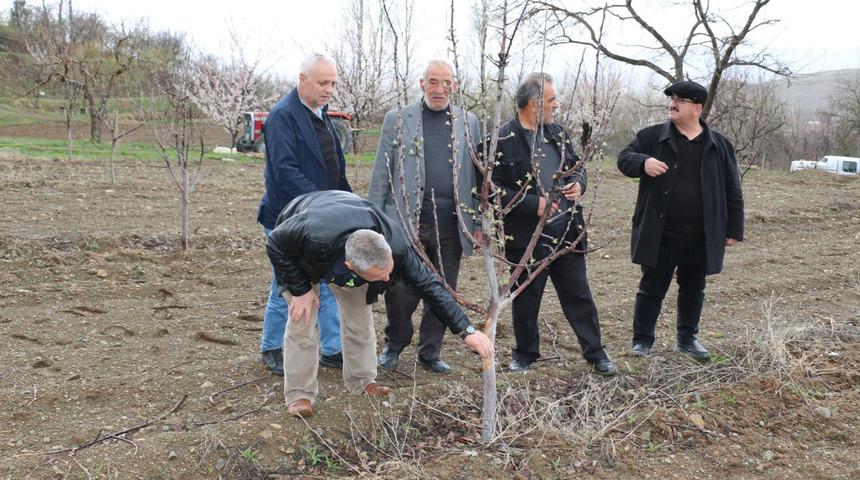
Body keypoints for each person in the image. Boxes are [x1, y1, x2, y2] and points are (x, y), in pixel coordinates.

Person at [266, 191, 494, 418]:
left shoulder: (396, 245)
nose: (387, 279)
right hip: (301, 258)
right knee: (302, 322)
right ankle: (299, 395)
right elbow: (275, 243)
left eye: (389, 270)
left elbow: (431, 287)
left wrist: (466, 330)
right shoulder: (310, 231)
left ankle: (363, 381)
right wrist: (301, 290)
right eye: (379, 276)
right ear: (351, 266)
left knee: (359, 319)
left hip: (345, 243)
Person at [485, 72, 616, 376]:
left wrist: (578, 185)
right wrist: (535, 204)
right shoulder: (501, 140)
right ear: (534, 103)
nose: (557, 105)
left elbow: (576, 168)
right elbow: (490, 191)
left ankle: (595, 353)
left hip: (566, 231)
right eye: (552, 99)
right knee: (526, 300)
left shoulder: (557, 132)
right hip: (527, 236)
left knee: (579, 294)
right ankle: (525, 354)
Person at [367, 59, 482, 374]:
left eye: (446, 83)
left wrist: (479, 223)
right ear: (421, 84)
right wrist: (372, 223)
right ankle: (394, 345)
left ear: (454, 87)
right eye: (433, 81)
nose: (439, 89)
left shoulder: (468, 122)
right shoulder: (398, 119)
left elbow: (477, 177)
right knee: (400, 290)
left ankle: (431, 352)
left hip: (451, 222)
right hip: (406, 221)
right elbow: (382, 173)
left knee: (443, 290)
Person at [617, 79, 744, 360]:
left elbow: (732, 188)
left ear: (697, 108)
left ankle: (687, 338)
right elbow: (623, 158)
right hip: (661, 231)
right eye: (671, 98)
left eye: (680, 100)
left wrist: (734, 228)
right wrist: (643, 163)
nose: (672, 103)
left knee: (693, 287)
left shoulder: (719, 145)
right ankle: (642, 340)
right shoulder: (652, 137)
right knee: (652, 287)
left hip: (701, 233)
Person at [256, 54, 352, 376]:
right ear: (303, 80)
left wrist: (348, 203)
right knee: (284, 284)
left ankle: (333, 349)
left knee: (326, 283)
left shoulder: (320, 113)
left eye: (333, 83)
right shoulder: (283, 117)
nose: (330, 89)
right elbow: (285, 172)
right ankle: (272, 347)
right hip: (289, 219)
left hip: (320, 217)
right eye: (323, 83)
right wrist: (324, 204)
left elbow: (333, 165)